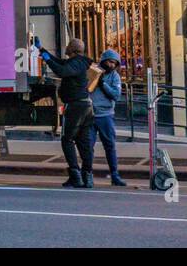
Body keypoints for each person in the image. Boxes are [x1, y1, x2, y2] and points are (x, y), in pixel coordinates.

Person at [34, 36, 95, 188]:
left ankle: (75, 175)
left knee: (67, 140)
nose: (66, 47)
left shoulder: (76, 64)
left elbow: (60, 70)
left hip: (76, 107)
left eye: (68, 46)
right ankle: (87, 177)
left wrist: (46, 58)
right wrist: (42, 50)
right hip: (85, 107)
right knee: (84, 142)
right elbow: (60, 62)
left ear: (73, 50)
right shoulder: (78, 62)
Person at [87, 49, 126, 186]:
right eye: (109, 62)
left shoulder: (114, 76)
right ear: (104, 61)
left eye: (114, 63)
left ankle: (114, 174)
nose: (111, 65)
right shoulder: (94, 71)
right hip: (90, 114)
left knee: (109, 146)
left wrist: (103, 84)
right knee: (88, 146)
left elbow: (116, 95)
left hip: (105, 115)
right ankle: (88, 175)